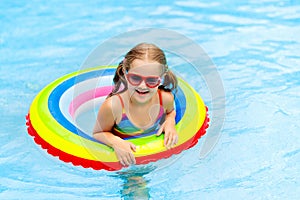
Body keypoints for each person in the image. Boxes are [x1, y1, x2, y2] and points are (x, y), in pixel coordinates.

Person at [93, 43, 178, 167]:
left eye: (151, 80)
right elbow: (98, 133)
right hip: (124, 161)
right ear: (125, 72)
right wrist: (116, 142)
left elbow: (171, 112)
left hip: (153, 154)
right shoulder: (113, 107)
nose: (142, 86)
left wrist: (170, 121)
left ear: (162, 78)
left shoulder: (165, 99)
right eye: (135, 78)